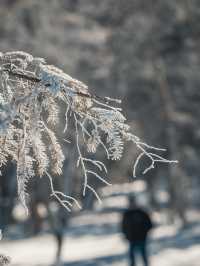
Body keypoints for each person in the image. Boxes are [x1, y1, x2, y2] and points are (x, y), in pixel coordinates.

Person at [121, 195, 153, 266]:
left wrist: (145, 233)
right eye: (131, 202)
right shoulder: (127, 214)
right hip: (132, 239)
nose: (132, 204)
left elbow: (149, 224)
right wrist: (126, 235)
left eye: (133, 202)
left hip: (142, 239)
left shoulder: (142, 213)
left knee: (144, 257)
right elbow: (123, 227)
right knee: (132, 259)